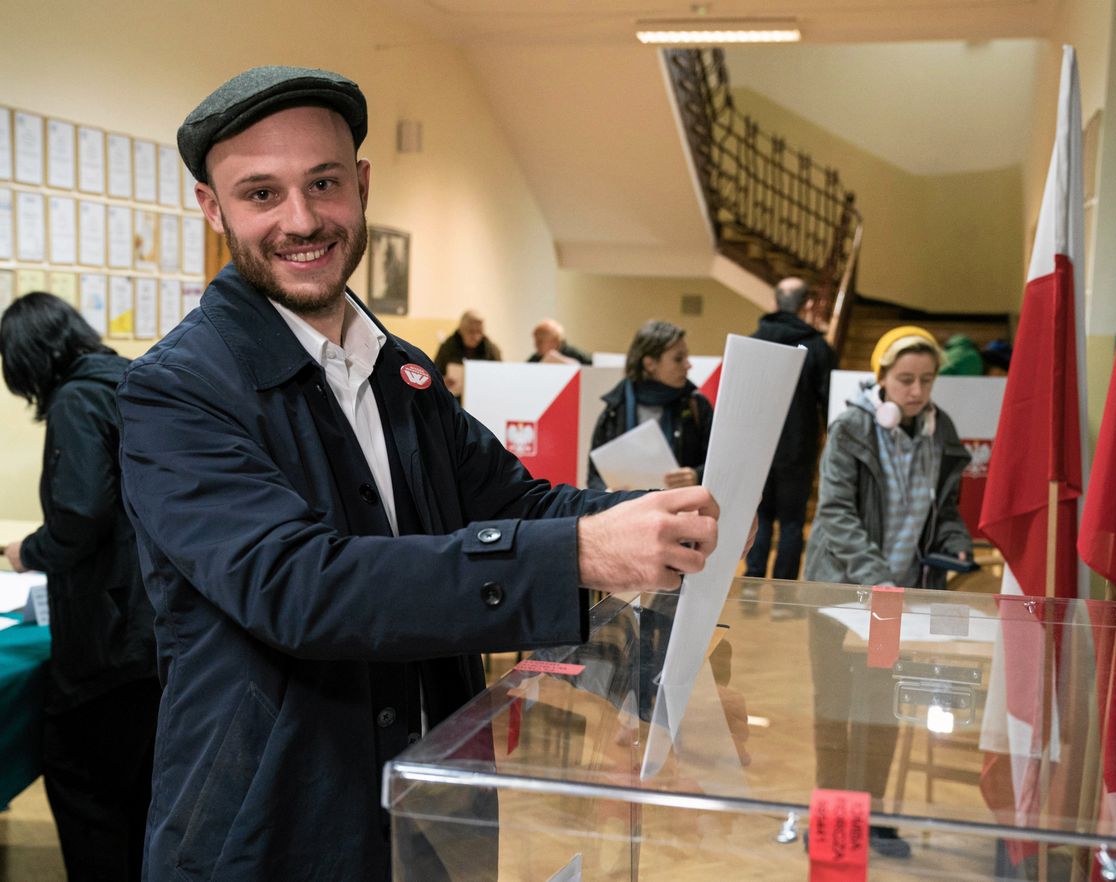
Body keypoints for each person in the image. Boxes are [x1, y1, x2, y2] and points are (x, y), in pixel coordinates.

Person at [119, 66, 721, 881]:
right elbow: (300, 586)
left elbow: (517, 502)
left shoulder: (400, 373)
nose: (302, 220)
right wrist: (580, 552)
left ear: (362, 185)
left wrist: (659, 517)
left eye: (324, 183)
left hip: (435, 807)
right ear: (211, 206)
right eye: (261, 194)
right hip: (272, 829)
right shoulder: (175, 392)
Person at [1, 292, 159, 881]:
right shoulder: (128, 381)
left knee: (81, 778)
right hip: (152, 622)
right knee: (140, 789)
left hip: (106, 635)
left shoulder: (75, 398)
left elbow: (81, 513)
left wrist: (28, 552)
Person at [802, 325, 972, 859]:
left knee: (883, 708)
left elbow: (944, 511)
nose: (917, 391)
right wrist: (876, 575)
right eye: (905, 379)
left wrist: (955, 543)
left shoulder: (941, 431)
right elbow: (835, 513)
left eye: (927, 380)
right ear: (881, 379)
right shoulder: (851, 428)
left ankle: (873, 817)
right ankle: (833, 819)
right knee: (835, 708)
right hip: (840, 595)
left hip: (896, 603)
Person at [742, 277, 834, 614]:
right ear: (808, 304)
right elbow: (830, 402)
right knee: (792, 522)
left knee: (761, 515)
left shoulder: (752, 342)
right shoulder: (818, 348)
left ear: (774, 302)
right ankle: (783, 599)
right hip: (798, 446)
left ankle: (750, 588)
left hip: (757, 445)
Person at [588, 320, 713, 491]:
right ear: (650, 364)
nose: (688, 365)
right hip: (629, 507)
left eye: (686, 357)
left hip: (683, 506)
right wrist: (606, 493)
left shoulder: (696, 405)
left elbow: (721, 465)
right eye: (678, 359)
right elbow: (594, 476)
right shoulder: (615, 408)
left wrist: (696, 476)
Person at [434, 309, 502, 398]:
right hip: (453, 398)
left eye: (479, 332)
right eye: (471, 332)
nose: (476, 337)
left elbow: (500, 377)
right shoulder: (447, 347)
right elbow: (435, 375)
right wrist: (442, 382)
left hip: (482, 398)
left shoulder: (491, 350)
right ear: (461, 330)